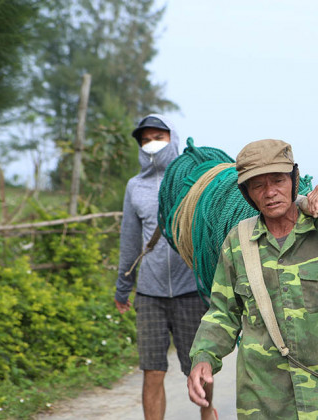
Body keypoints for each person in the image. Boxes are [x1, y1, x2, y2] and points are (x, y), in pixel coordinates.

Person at [187, 139, 318, 419]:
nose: (270, 192)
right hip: (261, 404)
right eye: (258, 185)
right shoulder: (238, 243)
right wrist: (203, 357)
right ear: (247, 193)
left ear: (294, 180)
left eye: (278, 180)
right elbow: (222, 313)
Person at [115, 114, 208, 420]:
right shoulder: (134, 187)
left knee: (198, 368)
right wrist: (122, 288)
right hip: (150, 293)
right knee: (152, 371)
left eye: (159, 137)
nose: (151, 144)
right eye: (145, 139)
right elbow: (129, 241)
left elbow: (209, 232)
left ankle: (208, 415)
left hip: (189, 291)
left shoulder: (190, 179)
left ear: (173, 139)